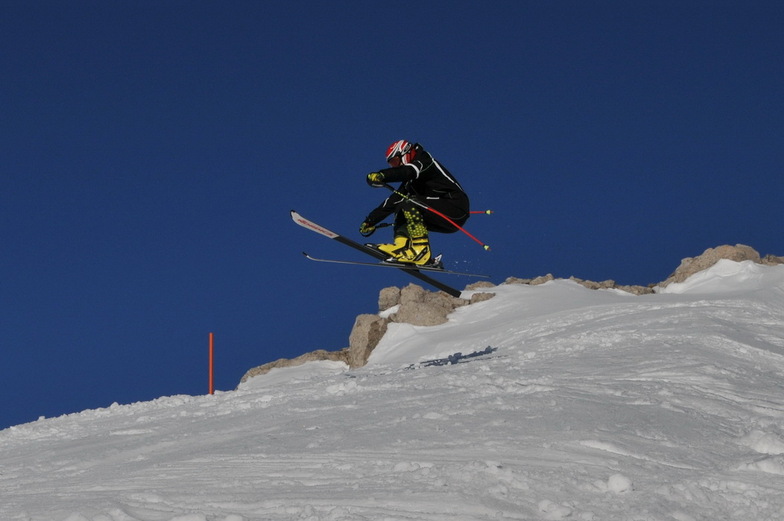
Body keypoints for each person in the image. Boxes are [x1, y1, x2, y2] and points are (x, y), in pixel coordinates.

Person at [359, 140, 470, 266]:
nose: (396, 167)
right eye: (392, 165)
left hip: (455, 207)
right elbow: (393, 201)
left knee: (410, 203)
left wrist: (383, 175)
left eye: (395, 162)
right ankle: (401, 247)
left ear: (405, 153)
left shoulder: (424, 160)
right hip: (442, 216)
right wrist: (371, 220)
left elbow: (408, 171)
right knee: (401, 206)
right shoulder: (410, 182)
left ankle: (421, 251)